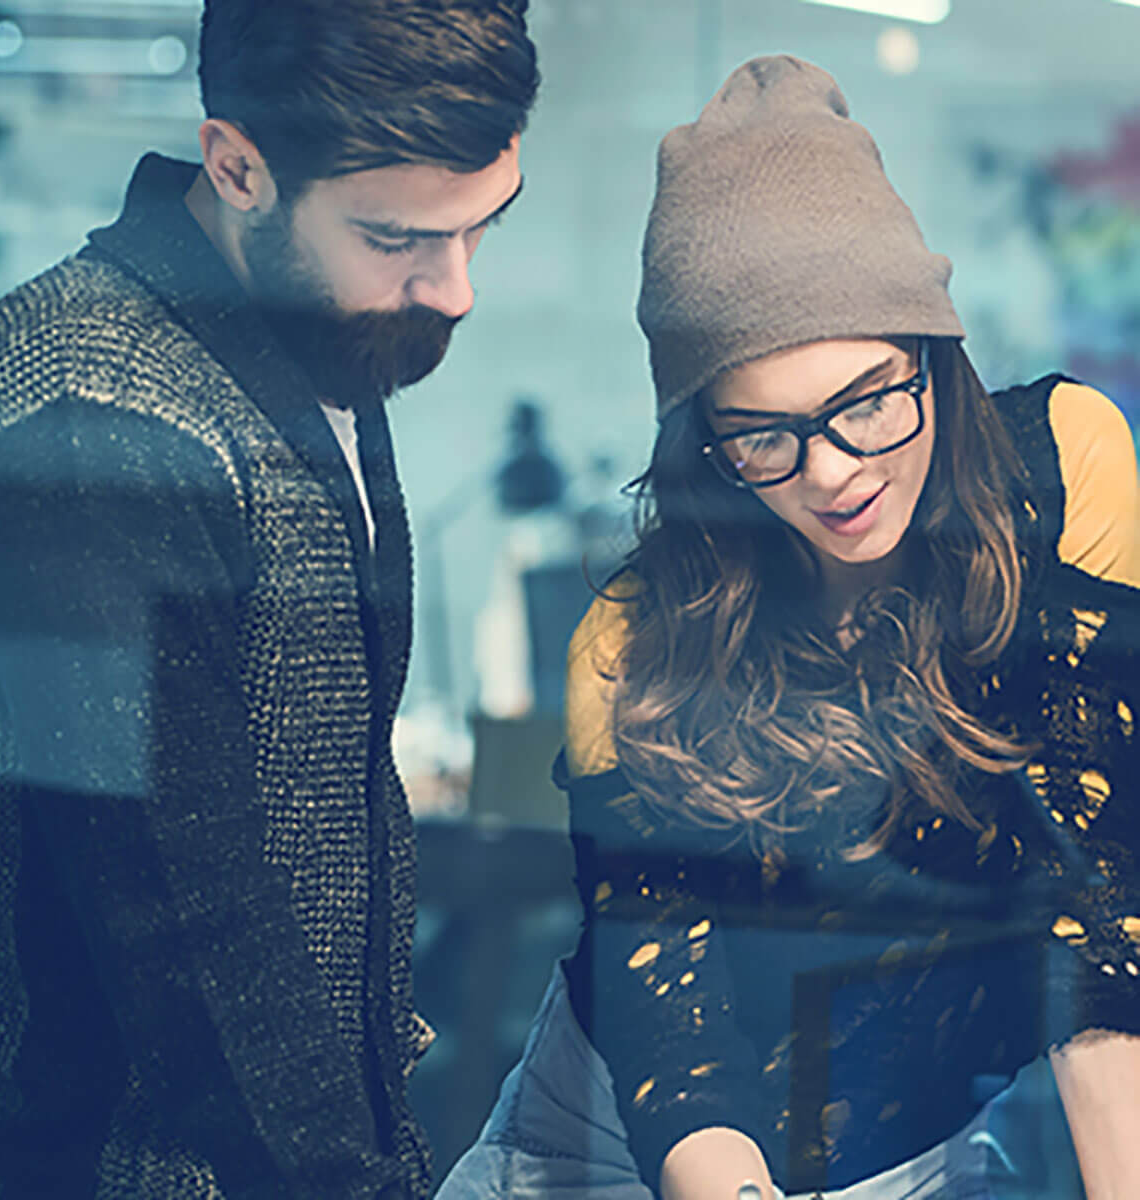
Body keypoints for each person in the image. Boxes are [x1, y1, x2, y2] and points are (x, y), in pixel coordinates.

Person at [439, 56, 1140, 1200]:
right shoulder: (632, 649)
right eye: (765, 435)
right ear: (702, 444)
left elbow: (1096, 908)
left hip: (918, 1144)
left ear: (936, 358)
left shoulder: (1062, 476)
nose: (836, 473)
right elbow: (682, 1046)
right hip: (626, 1153)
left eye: (870, 399)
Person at [0, 2, 539, 1196]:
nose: (455, 290)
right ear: (237, 166)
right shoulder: (87, 416)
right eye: (401, 238)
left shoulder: (307, 337)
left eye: (484, 226)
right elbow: (187, 920)